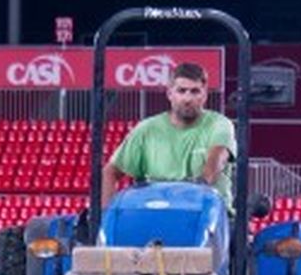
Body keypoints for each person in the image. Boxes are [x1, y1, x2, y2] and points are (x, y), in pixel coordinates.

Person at [100, 62, 235, 211]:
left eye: (195, 91)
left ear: (205, 95)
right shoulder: (146, 130)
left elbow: (217, 158)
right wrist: (107, 214)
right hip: (157, 214)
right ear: (170, 94)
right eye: (181, 91)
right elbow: (110, 172)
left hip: (207, 214)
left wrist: (201, 183)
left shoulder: (219, 125)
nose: (187, 99)